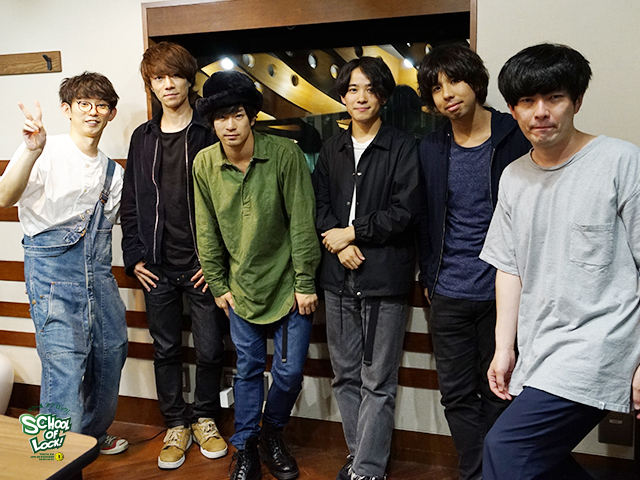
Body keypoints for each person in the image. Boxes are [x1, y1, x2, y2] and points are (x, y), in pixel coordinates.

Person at [480, 43, 640, 479]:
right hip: (541, 349)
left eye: (554, 98)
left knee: (507, 447)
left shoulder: (620, 161)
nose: (541, 112)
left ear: (577, 101)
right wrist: (503, 348)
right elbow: (509, 268)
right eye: (527, 101)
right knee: (538, 460)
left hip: (600, 344)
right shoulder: (514, 176)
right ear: (512, 110)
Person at [192, 70, 321, 480]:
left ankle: (272, 433)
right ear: (212, 122)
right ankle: (245, 446)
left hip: (288, 285)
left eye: (237, 114)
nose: (229, 125)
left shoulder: (284, 155)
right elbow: (206, 228)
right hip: (240, 287)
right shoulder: (204, 163)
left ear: (251, 116)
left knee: (289, 372)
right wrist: (217, 284)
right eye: (220, 117)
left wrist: (305, 282)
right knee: (247, 370)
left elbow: (302, 221)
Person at [416, 43, 530, 480]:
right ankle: (476, 474)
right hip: (448, 292)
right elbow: (425, 217)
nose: (447, 94)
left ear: (476, 82)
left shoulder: (514, 134)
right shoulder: (431, 147)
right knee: (457, 396)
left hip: (504, 291)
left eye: (455, 81)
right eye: (436, 88)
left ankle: (500, 473)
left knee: (501, 390)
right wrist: (430, 276)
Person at [0, 72, 128, 454]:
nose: (93, 111)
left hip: (99, 276)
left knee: (112, 353)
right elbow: (5, 197)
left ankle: (89, 435)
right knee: (64, 365)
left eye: (101, 105)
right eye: (84, 104)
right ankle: (54, 453)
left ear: (111, 113)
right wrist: (31, 150)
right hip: (52, 277)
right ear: (66, 109)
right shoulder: (44, 149)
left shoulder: (114, 173)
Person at [121, 42, 227, 469]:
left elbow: (226, 202)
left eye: (175, 75)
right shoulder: (142, 137)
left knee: (211, 349)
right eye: (159, 78)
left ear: (189, 80)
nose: (168, 84)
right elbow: (131, 203)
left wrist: (215, 263)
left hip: (201, 266)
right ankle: (176, 424)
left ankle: (204, 418)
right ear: (150, 85)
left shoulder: (208, 132)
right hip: (157, 267)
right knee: (165, 350)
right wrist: (134, 256)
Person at [313, 56, 420, 480]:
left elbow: (404, 211)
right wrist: (338, 244)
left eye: (370, 89)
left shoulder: (403, 146)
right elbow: (319, 206)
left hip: (383, 278)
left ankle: (368, 469)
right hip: (338, 276)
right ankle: (360, 458)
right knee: (344, 376)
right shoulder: (331, 148)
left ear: (383, 97)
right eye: (353, 89)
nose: (361, 97)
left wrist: (353, 233)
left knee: (377, 380)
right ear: (343, 96)